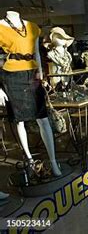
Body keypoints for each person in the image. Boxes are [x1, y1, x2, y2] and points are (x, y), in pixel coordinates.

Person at [0, 10, 62, 178]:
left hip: (32, 74)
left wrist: (41, 73)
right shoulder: (0, 27)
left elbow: (36, 52)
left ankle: (53, 161)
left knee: (42, 117)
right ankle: (30, 160)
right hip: (11, 75)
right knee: (19, 120)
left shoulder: (32, 27)